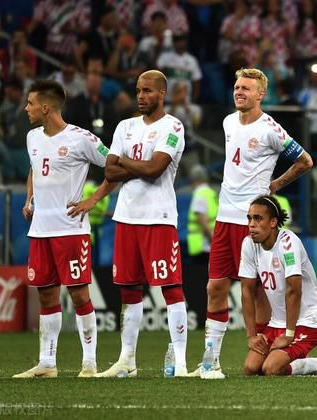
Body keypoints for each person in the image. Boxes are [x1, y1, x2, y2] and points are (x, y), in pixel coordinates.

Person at [197, 68, 313, 379]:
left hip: (254, 224)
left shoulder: (271, 130)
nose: (239, 92)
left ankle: (267, 346)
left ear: (261, 94)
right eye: (236, 87)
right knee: (215, 287)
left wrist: (276, 184)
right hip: (224, 219)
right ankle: (210, 362)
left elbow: (305, 161)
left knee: (258, 291)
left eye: (246, 88)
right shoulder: (227, 122)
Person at [12, 79, 116, 378]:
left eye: (30, 103)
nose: (26, 108)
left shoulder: (81, 138)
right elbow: (34, 167)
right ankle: (47, 363)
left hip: (70, 230)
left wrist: (93, 199)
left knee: (79, 295)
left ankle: (89, 363)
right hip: (40, 230)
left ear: (46, 107)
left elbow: (116, 166)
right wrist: (30, 196)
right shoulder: (32, 137)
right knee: (46, 295)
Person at [97, 70, 187, 377]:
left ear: (162, 94)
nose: (141, 96)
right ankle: (127, 360)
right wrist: (139, 166)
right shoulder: (125, 126)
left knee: (170, 288)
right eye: (138, 90)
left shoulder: (173, 126)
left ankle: (181, 361)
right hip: (126, 217)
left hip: (158, 218)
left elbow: (156, 169)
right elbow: (109, 172)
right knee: (128, 289)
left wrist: (125, 161)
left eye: (147, 91)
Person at [240, 196, 317, 377]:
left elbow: (294, 290)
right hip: (277, 322)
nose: (251, 224)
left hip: (309, 321)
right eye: (249, 218)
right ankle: (296, 358)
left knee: (271, 369)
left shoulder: (288, 243)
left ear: (273, 222)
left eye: (258, 218)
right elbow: (247, 291)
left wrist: (289, 334)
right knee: (251, 368)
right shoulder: (249, 244)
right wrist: (252, 335)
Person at [187, 164, 218, 265]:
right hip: (210, 242)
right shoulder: (210, 192)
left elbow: (203, 221)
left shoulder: (199, 194)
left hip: (203, 245)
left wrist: (213, 242)